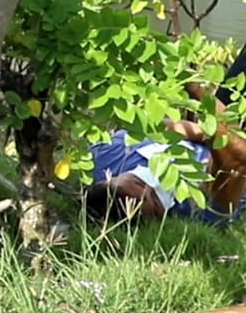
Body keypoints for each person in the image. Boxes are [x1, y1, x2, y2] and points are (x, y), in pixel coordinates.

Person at [86, 84, 246, 225]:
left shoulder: (106, 156)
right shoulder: (198, 216)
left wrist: (205, 133)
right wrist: (196, 90)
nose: (153, 187)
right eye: (156, 203)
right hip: (229, 133)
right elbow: (236, 158)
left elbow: (156, 128)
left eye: (139, 182)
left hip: (211, 127)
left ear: (105, 180)